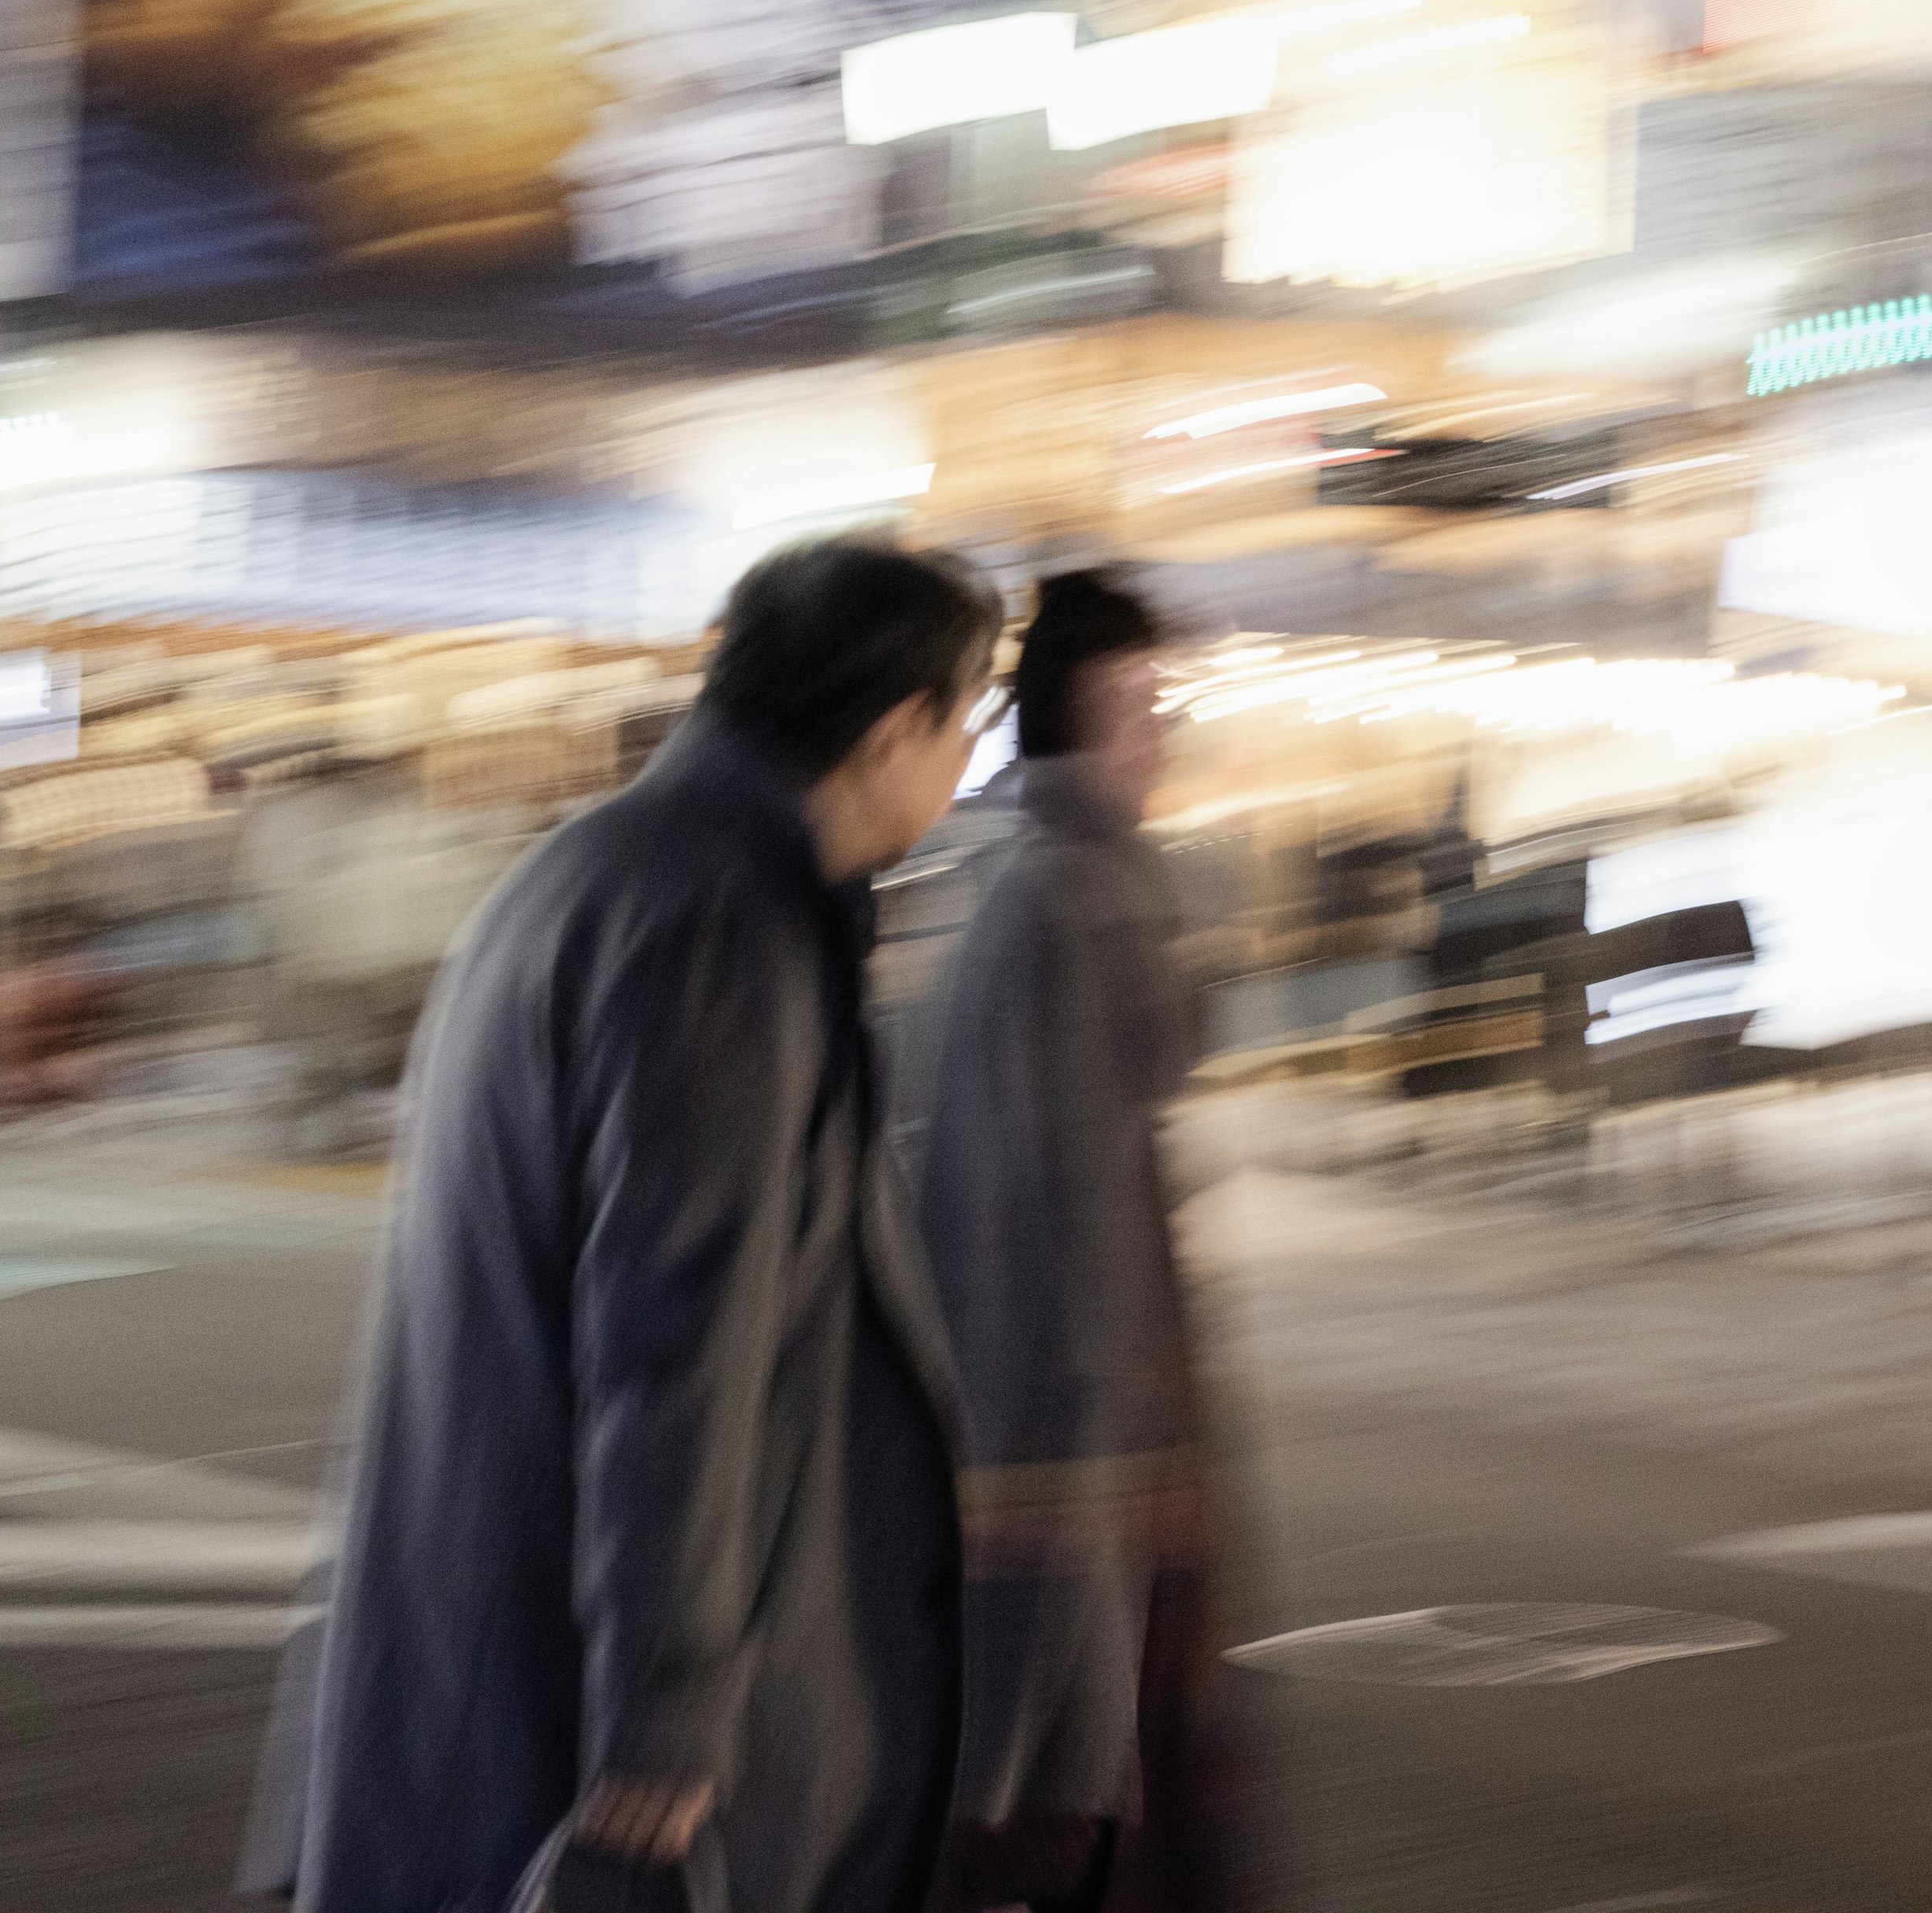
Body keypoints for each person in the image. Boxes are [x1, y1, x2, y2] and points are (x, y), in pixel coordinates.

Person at [257, 534, 1004, 1913]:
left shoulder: (594, 872)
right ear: (900, 728)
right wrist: (668, 1707)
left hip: (492, 1635)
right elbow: (674, 1339)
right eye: (971, 719)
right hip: (591, 1703)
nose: (968, 760)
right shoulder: (720, 927)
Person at [918, 571, 1250, 1913]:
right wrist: (1133, 1436)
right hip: (1075, 1435)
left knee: (1073, 1774)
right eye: (1141, 702)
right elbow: (1075, 1192)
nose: (1162, 733)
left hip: (1061, 1417)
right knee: (1069, 1780)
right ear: (1084, 716)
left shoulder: (1046, 888)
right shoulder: (1079, 901)